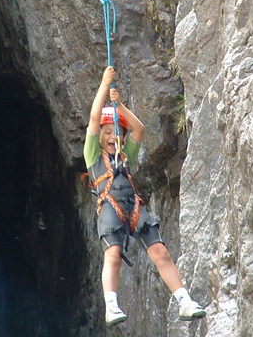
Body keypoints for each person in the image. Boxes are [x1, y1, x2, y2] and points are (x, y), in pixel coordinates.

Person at [84, 66, 206, 326]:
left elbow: (138, 129)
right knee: (113, 254)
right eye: (107, 132)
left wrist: (120, 106)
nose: (111, 136)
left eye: (116, 132)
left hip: (134, 206)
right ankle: (111, 306)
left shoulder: (124, 153)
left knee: (160, 252)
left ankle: (184, 300)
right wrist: (105, 85)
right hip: (110, 206)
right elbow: (95, 119)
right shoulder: (92, 155)